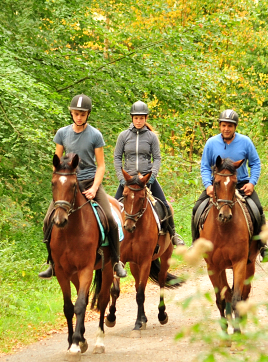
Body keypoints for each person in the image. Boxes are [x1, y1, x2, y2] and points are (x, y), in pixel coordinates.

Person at [38, 94, 127, 279]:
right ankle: (51, 263)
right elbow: (56, 162)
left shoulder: (95, 135)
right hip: (68, 184)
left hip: (89, 182)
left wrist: (95, 188)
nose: (79, 117)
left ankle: (117, 261)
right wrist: (60, 180)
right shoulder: (62, 133)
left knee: (110, 218)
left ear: (88, 115)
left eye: (82, 114)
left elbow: (101, 165)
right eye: (76, 113)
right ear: (71, 113)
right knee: (48, 220)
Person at [192, 109, 268, 256]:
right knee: (197, 209)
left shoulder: (245, 142)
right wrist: (208, 185)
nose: (226, 129)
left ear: (235, 127)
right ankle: (196, 244)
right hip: (217, 186)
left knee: (258, 209)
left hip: (240, 185)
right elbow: (205, 166)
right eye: (224, 125)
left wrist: (252, 183)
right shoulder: (211, 143)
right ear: (220, 126)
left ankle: (262, 246)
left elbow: (255, 163)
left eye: (230, 126)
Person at [114, 100, 185, 246]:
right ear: (132, 118)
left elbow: (157, 158)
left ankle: (173, 235)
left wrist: (152, 176)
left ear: (146, 118)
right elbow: (116, 158)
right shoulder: (123, 136)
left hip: (146, 179)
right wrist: (122, 179)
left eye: (141, 118)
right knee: (113, 208)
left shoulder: (151, 137)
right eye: (136, 118)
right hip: (128, 180)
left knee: (164, 205)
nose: (138, 121)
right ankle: (109, 240)